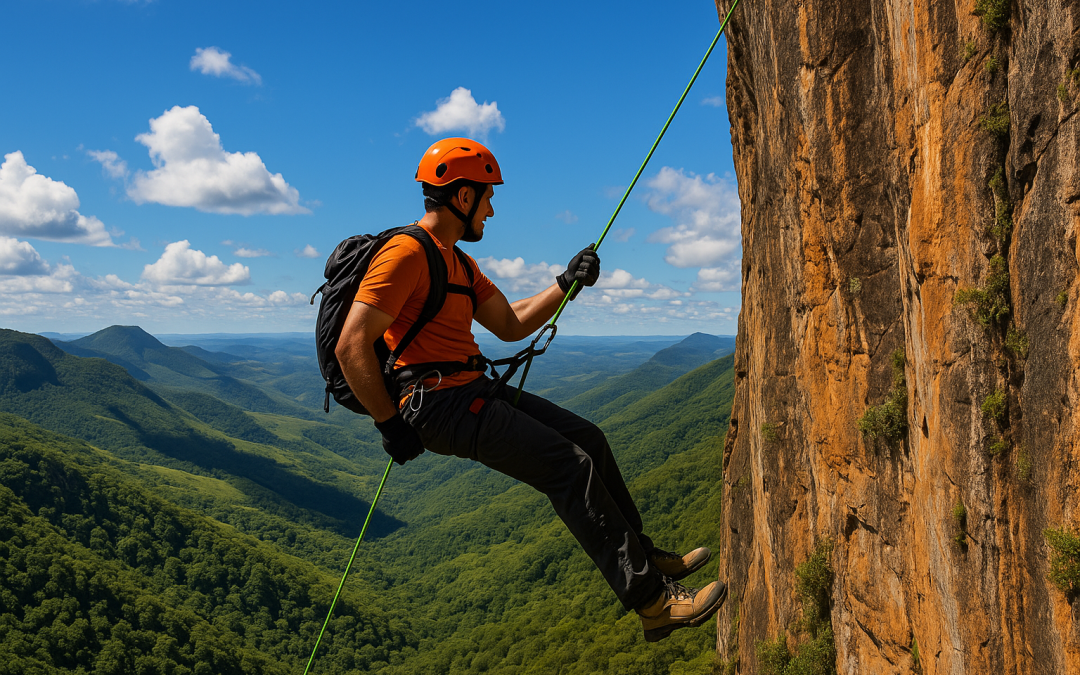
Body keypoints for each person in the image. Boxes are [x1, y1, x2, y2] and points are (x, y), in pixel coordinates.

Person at [334, 137, 726, 642]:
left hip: (470, 389)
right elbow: (351, 345)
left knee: (589, 439)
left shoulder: (459, 263)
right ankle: (653, 603)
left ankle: (645, 559)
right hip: (439, 404)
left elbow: (511, 322)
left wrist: (566, 281)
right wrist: (389, 424)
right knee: (569, 467)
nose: (491, 210)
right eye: (488, 197)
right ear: (463, 197)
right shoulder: (407, 253)